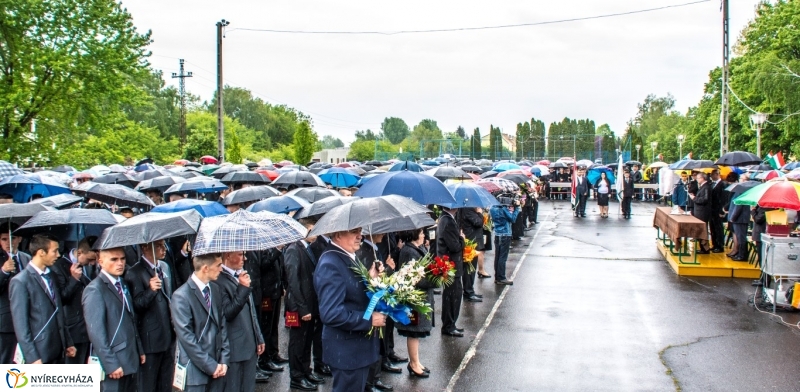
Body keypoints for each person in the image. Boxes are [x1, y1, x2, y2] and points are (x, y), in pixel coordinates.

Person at [314, 227, 385, 392]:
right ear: (338, 234)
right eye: (354, 231)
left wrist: (370, 278)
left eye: (360, 231)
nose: (360, 236)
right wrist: (368, 320)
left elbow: (351, 291)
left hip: (354, 350)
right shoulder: (331, 263)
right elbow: (331, 313)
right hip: (347, 352)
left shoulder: (345, 255)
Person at [83, 247, 144, 391]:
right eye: (114, 259)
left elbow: (131, 319)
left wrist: (139, 349)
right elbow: (96, 333)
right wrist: (111, 364)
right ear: (101, 261)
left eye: (122, 259)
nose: (120, 263)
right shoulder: (95, 289)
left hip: (130, 356)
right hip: (113, 361)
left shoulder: (122, 283)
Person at [10, 234, 75, 364]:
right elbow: (21, 325)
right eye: (54, 251)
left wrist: (67, 341)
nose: (58, 255)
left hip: (58, 350)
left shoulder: (51, 275)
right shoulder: (20, 281)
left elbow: (59, 311)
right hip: (39, 353)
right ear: (41, 252)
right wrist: (32, 357)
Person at [170, 252, 230, 392]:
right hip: (195, 373)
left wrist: (224, 360)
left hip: (218, 367)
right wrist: (210, 365)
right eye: (218, 265)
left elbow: (222, 326)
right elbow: (187, 338)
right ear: (205, 268)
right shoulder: (181, 296)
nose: (221, 269)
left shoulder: (215, 289)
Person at [124, 240, 174, 392]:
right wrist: (150, 291)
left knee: (165, 384)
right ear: (145, 248)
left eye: (164, 245)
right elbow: (136, 306)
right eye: (159, 246)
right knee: (148, 385)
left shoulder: (164, 267)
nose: (163, 249)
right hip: (150, 340)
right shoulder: (134, 272)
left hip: (167, 336)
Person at [213, 251, 265, 392]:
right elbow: (227, 313)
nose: (245, 258)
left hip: (249, 345)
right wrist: (242, 288)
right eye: (241, 254)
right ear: (228, 255)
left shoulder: (242, 275)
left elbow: (251, 310)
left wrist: (258, 336)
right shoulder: (218, 281)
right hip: (234, 349)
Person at [284, 218, 325, 391]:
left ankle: (306, 370)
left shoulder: (306, 248)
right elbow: (293, 281)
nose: (315, 234)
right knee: (297, 342)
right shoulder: (293, 249)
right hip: (298, 305)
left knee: (307, 340)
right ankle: (296, 376)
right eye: (312, 229)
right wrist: (302, 308)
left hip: (309, 303)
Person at [356, 232, 398, 391]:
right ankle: (369, 382)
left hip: (379, 305)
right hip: (371, 307)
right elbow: (369, 282)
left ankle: (375, 378)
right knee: (373, 342)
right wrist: (386, 269)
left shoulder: (374, 249)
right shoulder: (364, 251)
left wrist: (387, 268)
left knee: (378, 342)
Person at [395, 228, 435, 378]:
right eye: (421, 232)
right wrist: (434, 280)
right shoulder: (408, 251)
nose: (424, 234)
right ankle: (413, 363)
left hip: (421, 298)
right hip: (414, 299)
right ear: (414, 234)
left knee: (417, 333)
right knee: (413, 332)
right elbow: (412, 277)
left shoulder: (419, 248)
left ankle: (416, 362)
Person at [52, 236, 97, 365]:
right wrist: (74, 279)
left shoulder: (89, 266)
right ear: (79, 253)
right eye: (90, 259)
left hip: (87, 327)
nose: (92, 263)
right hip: (71, 328)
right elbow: (61, 299)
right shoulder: (58, 266)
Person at [253, 247, 288, 375]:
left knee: (274, 325)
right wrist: (277, 250)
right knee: (266, 327)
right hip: (266, 292)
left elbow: (281, 266)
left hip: (276, 290)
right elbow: (264, 265)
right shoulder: (262, 247)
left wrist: (283, 284)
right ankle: (265, 359)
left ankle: (274, 353)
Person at [0, 223, 30, 363]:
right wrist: (4, 271)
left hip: (26, 318)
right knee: (5, 358)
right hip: (6, 321)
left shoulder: (26, 258)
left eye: (12, 238)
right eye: (4, 239)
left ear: (19, 239)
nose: (8, 243)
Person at [437, 205, 466, 337]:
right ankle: (449, 325)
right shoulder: (447, 221)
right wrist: (462, 239)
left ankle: (450, 324)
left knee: (453, 295)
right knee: (452, 296)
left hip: (450, 264)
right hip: (451, 265)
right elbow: (454, 246)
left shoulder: (446, 218)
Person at [490, 200, 519, 285]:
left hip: (497, 233)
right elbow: (512, 219)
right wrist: (517, 208)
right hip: (505, 234)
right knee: (503, 257)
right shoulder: (503, 209)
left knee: (498, 256)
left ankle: (497, 276)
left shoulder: (492, 208)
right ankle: (501, 277)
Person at [458, 207, 484, 302]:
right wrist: (480, 213)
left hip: (472, 241)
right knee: (469, 269)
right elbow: (478, 222)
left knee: (471, 269)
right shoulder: (467, 209)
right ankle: (468, 292)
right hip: (470, 242)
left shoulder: (468, 208)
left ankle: (470, 290)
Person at [690, 172, 712, 254]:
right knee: (700, 230)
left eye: (698, 178)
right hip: (699, 211)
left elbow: (704, 199)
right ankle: (702, 247)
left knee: (702, 230)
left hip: (702, 212)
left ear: (703, 178)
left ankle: (704, 248)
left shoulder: (706, 187)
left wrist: (694, 198)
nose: (697, 179)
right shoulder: (702, 187)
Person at [727, 192, 750, 261]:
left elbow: (738, 207)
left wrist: (732, 217)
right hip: (739, 219)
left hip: (740, 219)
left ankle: (742, 255)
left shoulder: (741, 194)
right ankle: (739, 253)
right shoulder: (739, 193)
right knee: (739, 237)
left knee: (741, 238)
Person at [709, 170, 727, 253]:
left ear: (717, 174)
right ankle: (714, 244)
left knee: (718, 228)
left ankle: (720, 245)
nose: (711, 176)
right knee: (713, 228)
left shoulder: (722, 184)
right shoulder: (712, 184)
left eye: (712, 175)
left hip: (718, 210)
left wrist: (722, 211)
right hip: (712, 210)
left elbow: (723, 199)